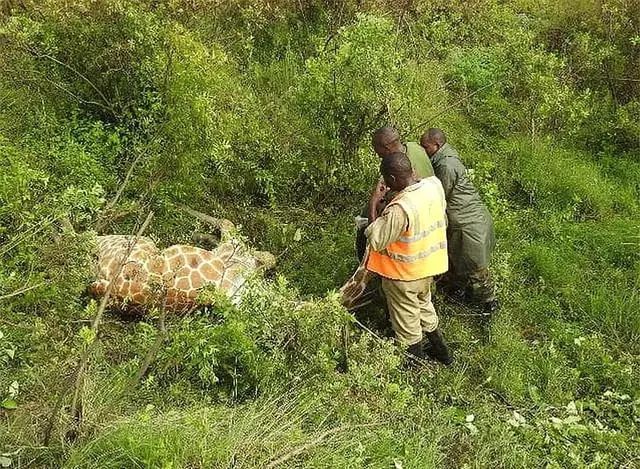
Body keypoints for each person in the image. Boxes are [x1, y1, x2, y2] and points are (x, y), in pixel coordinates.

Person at [364, 152, 453, 365]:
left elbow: (376, 238)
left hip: (404, 276)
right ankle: (443, 354)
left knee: (407, 325)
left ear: (392, 180)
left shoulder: (400, 209)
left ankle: (415, 367)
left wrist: (374, 201)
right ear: (412, 170)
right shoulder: (434, 186)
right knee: (424, 308)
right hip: (429, 267)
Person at [420, 128, 499, 315]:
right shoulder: (445, 158)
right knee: (456, 260)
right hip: (467, 219)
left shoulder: (446, 165)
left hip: (469, 223)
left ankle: (488, 307)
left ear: (437, 145)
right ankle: (460, 293)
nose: (423, 150)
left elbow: (439, 195)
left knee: (476, 269)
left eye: (426, 146)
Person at [356, 126, 434, 261]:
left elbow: (379, 233)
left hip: (416, 226)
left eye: (377, 150)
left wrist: (374, 202)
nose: (377, 154)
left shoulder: (401, 170)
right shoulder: (414, 147)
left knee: (368, 231)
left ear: (386, 148)